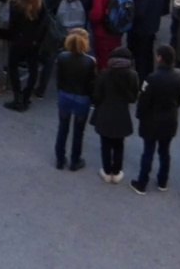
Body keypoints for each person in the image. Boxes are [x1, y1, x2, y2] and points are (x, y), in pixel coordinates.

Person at [130, 45, 180, 194]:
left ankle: (142, 183)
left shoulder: (152, 78)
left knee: (148, 151)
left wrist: (139, 116)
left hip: (152, 120)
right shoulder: (179, 75)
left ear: (160, 58)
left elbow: (144, 101)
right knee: (164, 151)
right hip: (170, 119)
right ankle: (162, 181)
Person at [93, 45, 139, 183]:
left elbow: (97, 96)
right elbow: (133, 98)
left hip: (105, 113)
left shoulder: (104, 73)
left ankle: (106, 172)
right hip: (122, 115)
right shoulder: (132, 75)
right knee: (119, 145)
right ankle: (116, 172)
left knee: (105, 144)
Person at [54, 29, 96, 170]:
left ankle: (60, 159)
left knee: (62, 128)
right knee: (79, 132)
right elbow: (91, 83)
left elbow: (59, 79)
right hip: (82, 98)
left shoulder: (62, 57)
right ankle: (75, 160)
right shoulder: (90, 61)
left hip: (65, 95)